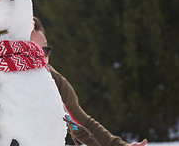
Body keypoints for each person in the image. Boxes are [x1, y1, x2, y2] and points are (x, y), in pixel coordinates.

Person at [30, 17, 147, 146]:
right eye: (34, 51)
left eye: (45, 51)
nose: (42, 58)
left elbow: (82, 125)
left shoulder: (54, 81)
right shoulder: (4, 79)